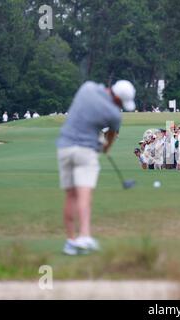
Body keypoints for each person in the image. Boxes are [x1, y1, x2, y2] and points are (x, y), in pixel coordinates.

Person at [56, 80, 136, 255]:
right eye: (121, 104)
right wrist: (105, 147)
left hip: (64, 146)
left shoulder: (87, 87)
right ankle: (84, 237)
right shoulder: (114, 114)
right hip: (85, 151)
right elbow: (110, 137)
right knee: (84, 194)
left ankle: (70, 241)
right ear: (118, 99)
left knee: (70, 196)